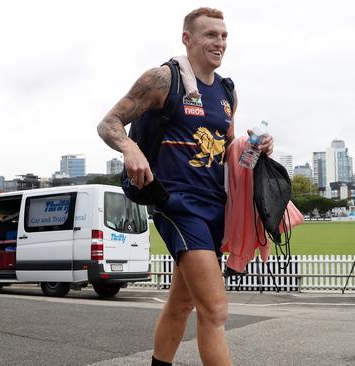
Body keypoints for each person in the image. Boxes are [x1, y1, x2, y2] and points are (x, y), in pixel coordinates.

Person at [97, 7, 273, 366]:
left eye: (224, 36)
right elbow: (109, 122)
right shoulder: (163, 79)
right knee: (215, 309)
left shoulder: (227, 92)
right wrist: (130, 148)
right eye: (210, 35)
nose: (219, 43)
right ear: (187, 39)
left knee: (182, 303)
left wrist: (253, 149)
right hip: (177, 204)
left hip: (215, 206)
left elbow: (226, 153)